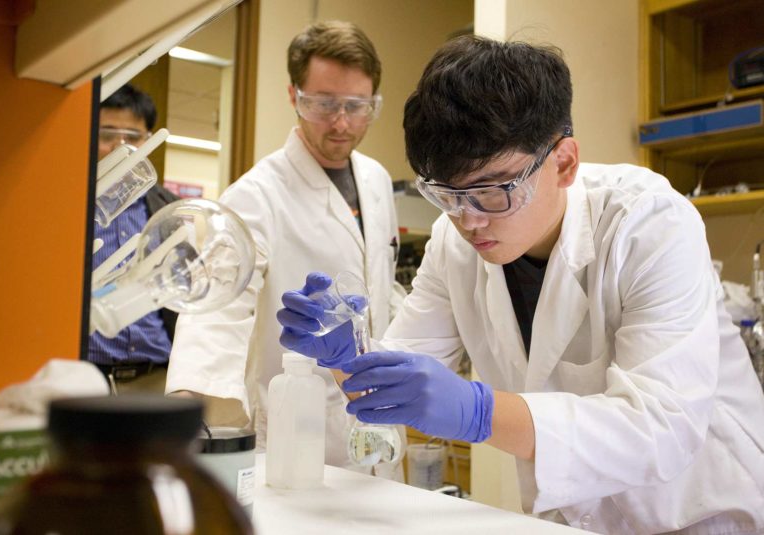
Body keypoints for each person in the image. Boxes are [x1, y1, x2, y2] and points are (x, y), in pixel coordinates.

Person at [277, 36, 764, 533]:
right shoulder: (454, 242)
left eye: (491, 191)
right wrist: (347, 356)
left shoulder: (649, 223)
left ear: (565, 162)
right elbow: (401, 373)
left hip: (704, 514)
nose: (468, 221)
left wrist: (479, 413)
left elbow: (662, 427)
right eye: (444, 193)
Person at [166, 21, 406, 476]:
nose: (341, 122)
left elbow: (380, 286)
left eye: (357, 106)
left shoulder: (375, 180)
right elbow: (218, 310)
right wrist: (187, 408)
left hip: (377, 427)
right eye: (323, 104)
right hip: (300, 433)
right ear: (294, 96)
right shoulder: (253, 196)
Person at [89, 83, 179, 394]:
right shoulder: (67, 206)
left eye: (133, 138)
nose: (120, 147)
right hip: (85, 377)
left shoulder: (167, 206)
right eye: (107, 135)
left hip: (156, 377)